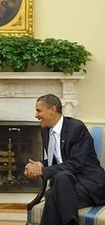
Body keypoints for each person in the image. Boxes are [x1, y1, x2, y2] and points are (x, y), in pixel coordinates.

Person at [24, 94, 105, 225]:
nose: (36, 115)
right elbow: (57, 160)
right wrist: (40, 164)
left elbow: (76, 164)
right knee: (59, 184)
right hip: (66, 183)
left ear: (53, 110)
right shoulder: (45, 130)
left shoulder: (76, 128)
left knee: (53, 194)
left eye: (39, 110)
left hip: (88, 184)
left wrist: (43, 171)